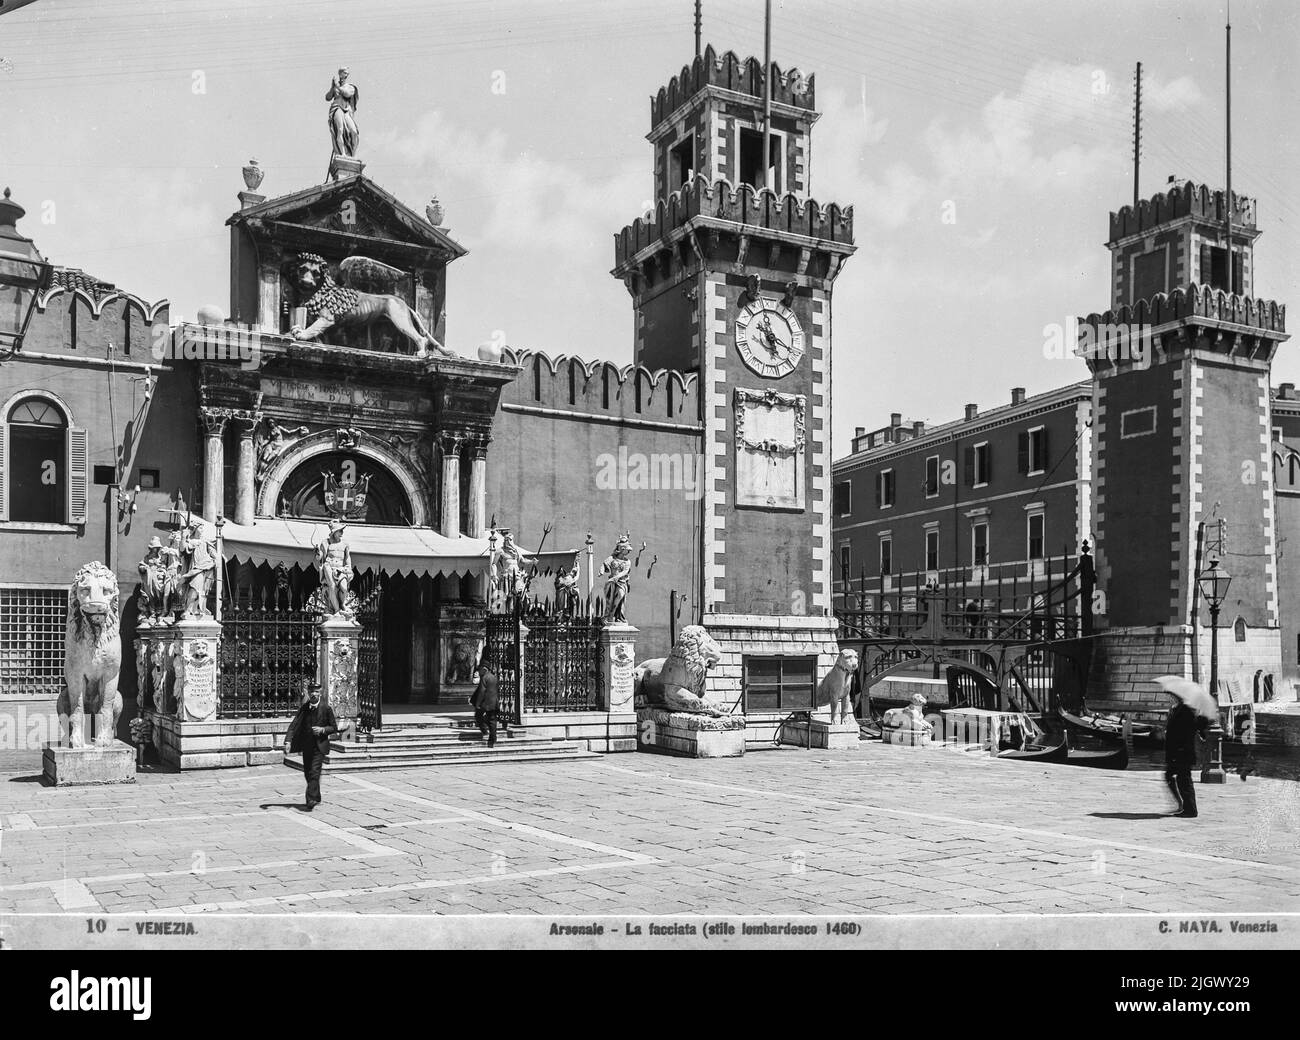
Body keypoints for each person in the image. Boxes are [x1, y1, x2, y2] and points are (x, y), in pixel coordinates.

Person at [283, 681, 340, 811]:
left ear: (320, 693)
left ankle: (311, 800)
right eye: (311, 692)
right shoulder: (304, 708)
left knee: (314, 772)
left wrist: (323, 730)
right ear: (308, 693)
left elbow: (334, 727)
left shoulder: (326, 708)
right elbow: (294, 725)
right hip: (306, 746)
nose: (314, 694)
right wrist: (288, 741)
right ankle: (317, 796)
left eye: (316, 692)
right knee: (308, 773)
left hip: (319, 747)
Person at [1164, 687, 1207, 818]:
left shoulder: (1185, 711)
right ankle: (1182, 804)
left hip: (1182, 752)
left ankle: (1190, 809)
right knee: (1170, 776)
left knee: (1184, 780)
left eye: (1170, 696)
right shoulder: (1176, 710)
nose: (1168, 698)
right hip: (1176, 752)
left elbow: (1189, 729)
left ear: (1176, 697)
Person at [472, 658, 500, 748]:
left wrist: (477, 704)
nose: (479, 672)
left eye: (480, 669)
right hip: (494, 702)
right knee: (492, 720)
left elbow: (481, 692)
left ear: (484, 669)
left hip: (486, 703)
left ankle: (484, 731)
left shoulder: (484, 677)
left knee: (478, 716)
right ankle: (493, 739)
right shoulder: (494, 677)